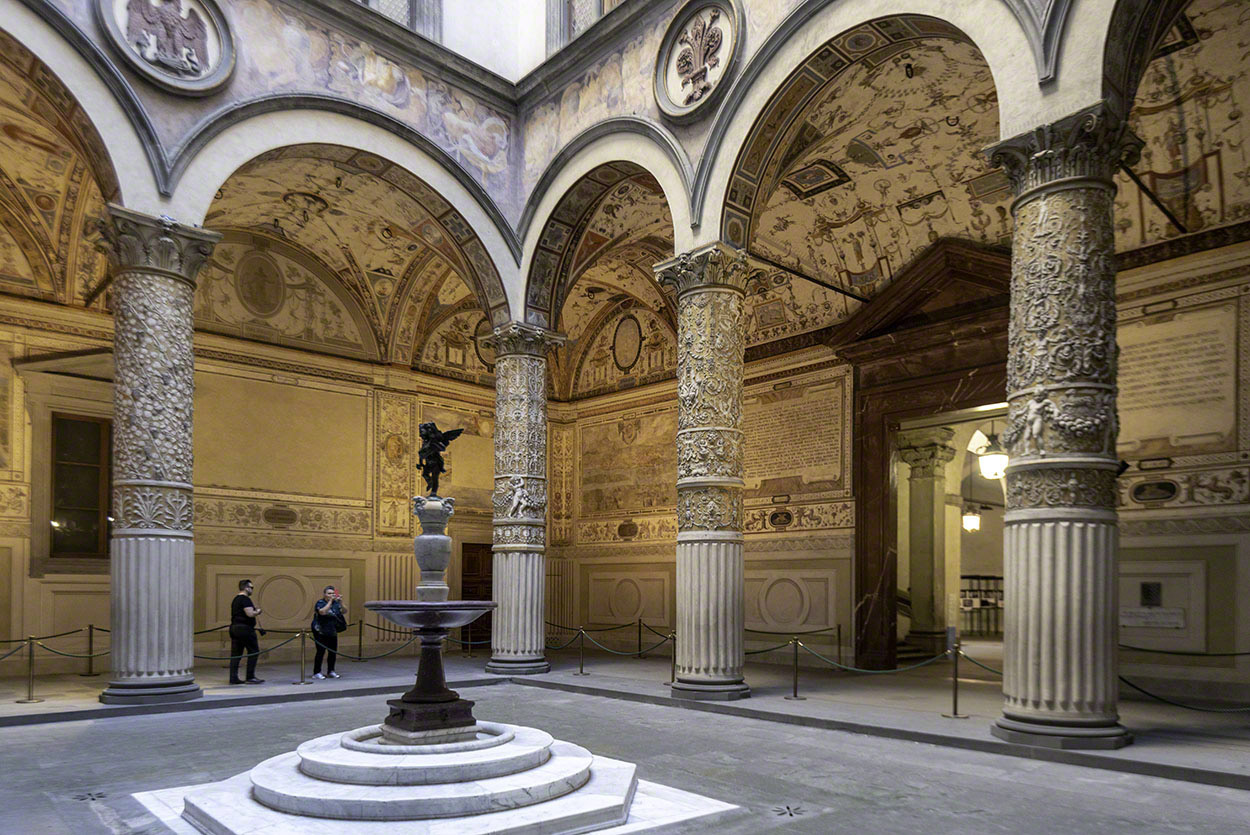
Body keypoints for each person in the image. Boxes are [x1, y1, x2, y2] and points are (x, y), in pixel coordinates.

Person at [229, 579, 265, 685]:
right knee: (253, 651)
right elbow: (249, 613)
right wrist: (257, 611)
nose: (252, 590)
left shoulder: (235, 599)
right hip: (245, 629)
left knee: (236, 654)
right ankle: (250, 676)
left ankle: (233, 677)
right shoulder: (245, 599)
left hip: (234, 628)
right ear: (246, 588)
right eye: (251, 587)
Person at [311, 585, 347, 680]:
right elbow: (322, 612)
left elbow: (344, 611)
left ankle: (331, 671)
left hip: (332, 630)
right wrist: (330, 602)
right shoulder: (320, 602)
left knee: (332, 652)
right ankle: (317, 672)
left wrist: (341, 602)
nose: (331, 595)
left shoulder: (336, 603)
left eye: (332, 593)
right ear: (324, 594)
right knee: (320, 652)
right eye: (329, 593)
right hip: (320, 631)